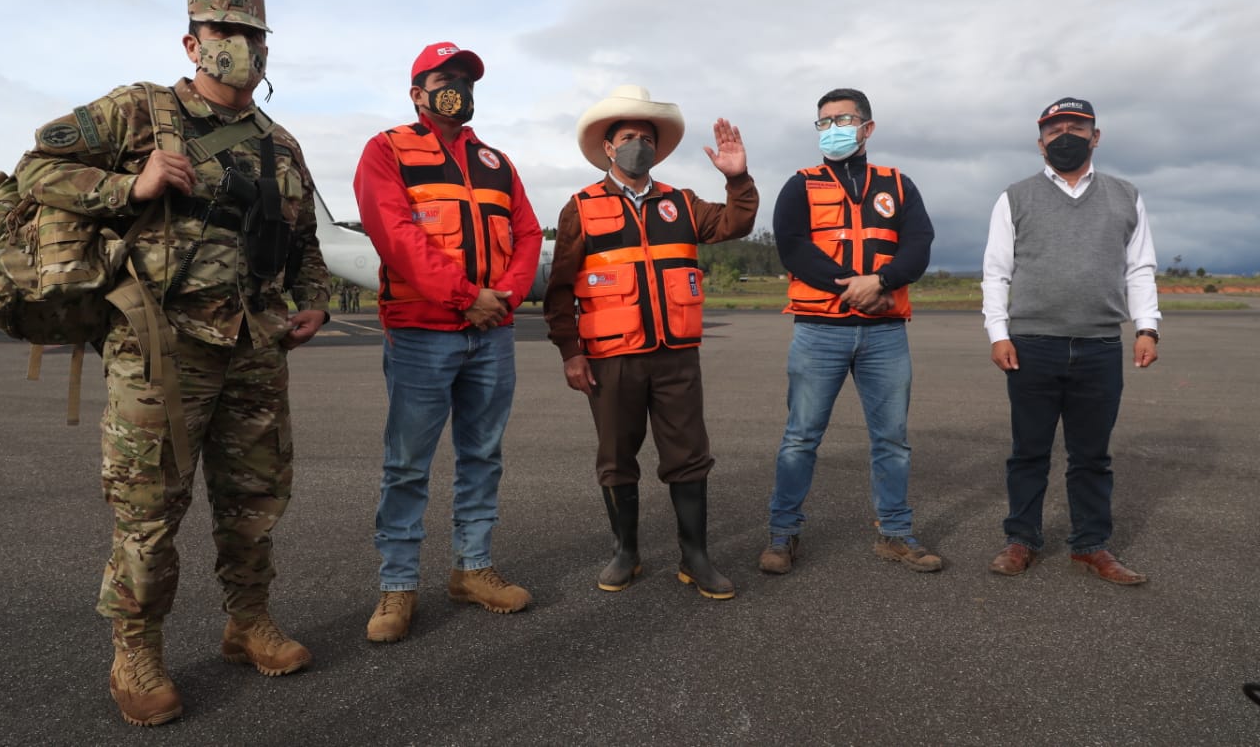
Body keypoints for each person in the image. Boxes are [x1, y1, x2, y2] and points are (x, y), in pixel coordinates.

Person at [14, 0, 332, 726]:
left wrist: (311, 296)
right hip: (161, 344)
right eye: (227, 31)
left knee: (254, 502)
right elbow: (36, 168)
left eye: (256, 35)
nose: (244, 46)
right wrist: (130, 183)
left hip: (256, 344)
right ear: (192, 42)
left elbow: (306, 240)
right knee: (149, 508)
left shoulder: (280, 142)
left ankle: (246, 621)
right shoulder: (137, 110)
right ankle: (137, 647)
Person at [354, 41, 542, 642]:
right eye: (445, 78)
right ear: (418, 92)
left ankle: (472, 568)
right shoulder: (385, 151)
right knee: (407, 465)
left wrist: (506, 298)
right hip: (421, 335)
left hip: (493, 334)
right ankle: (398, 586)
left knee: (482, 455)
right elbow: (395, 233)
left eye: (465, 78)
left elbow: (529, 232)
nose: (456, 86)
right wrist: (466, 296)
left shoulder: (496, 161)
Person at [543, 85, 758, 599]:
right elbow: (559, 290)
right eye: (628, 137)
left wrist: (738, 179)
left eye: (646, 137)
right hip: (611, 359)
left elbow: (736, 222)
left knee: (689, 455)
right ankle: (626, 552)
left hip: (675, 358)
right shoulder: (580, 208)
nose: (638, 143)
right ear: (609, 148)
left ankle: (696, 557)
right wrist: (571, 352)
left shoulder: (681, 204)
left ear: (656, 150)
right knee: (616, 457)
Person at [761, 87, 940, 576]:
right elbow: (793, 247)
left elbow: (919, 243)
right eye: (824, 122)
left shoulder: (898, 185)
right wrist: (851, 287)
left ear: (867, 128)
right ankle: (783, 533)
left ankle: (896, 534)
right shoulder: (800, 185)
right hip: (820, 330)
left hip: (884, 332)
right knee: (800, 437)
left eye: (843, 119)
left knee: (893, 440)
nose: (833, 128)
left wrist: (881, 281)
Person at [981, 97, 1159, 585]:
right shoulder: (1014, 197)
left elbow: (1139, 267)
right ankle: (1022, 540)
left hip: (1100, 345)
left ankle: (1091, 545)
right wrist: (999, 334)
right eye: (1054, 129)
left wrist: (1147, 327)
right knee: (1029, 451)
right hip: (1032, 343)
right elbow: (996, 273)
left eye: (1076, 127)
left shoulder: (1126, 195)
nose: (1065, 135)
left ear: (1095, 136)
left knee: (1092, 456)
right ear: (1040, 144)